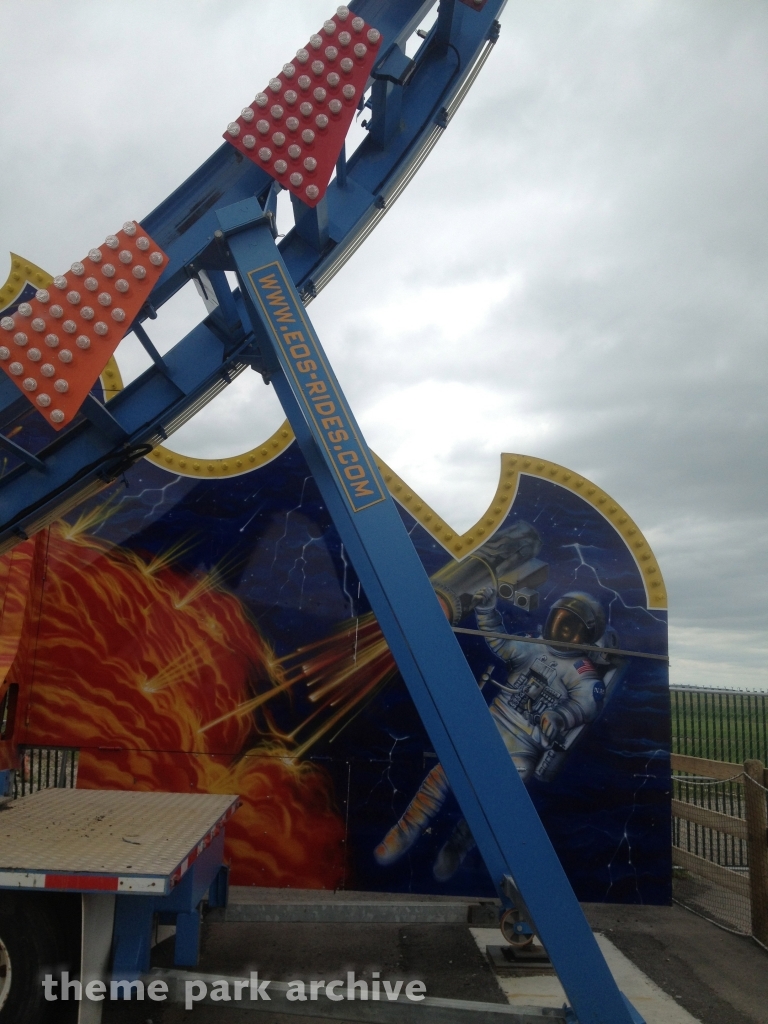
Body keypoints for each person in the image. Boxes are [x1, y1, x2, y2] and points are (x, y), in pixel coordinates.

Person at [374, 589, 608, 880]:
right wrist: (487, 611)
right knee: (442, 775)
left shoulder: (582, 672)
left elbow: (586, 704)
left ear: (585, 634)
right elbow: (500, 642)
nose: (559, 627)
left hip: (524, 746)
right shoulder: (531, 646)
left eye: (569, 624)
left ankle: (459, 844)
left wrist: (559, 716)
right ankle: (405, 831)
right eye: (558, 619)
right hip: (489, 729)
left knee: (496, 797)